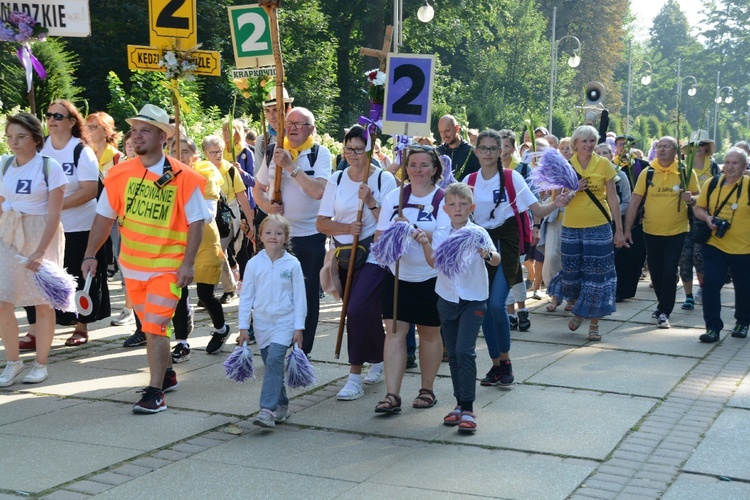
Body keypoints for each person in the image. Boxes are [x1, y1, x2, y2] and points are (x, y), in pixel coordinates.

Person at [82, 104, 209, 414]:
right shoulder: (118, 173)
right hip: (132, 267)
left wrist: (188, 263)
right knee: (152, 326)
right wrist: (89, 254)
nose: (137, 136)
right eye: (134, 130)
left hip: (168, 267)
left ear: (162, 137)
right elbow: (103, 218)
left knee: (154, 327)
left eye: (145, 131)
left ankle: (155, 393)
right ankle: (166, 374)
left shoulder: (183, 176)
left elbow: (197, 223)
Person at [465, 129, 569, 385]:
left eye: (493, 148)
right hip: (480, 245)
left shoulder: (512, 178)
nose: (488, 153)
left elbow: (537, 209)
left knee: (496, 304)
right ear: (476, 151)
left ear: (501, 151)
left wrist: (557, 203)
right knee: (484, 308)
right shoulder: (469, 180)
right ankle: (495, 365)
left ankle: (506, 361)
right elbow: (457, 214)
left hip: (506, 245)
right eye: (484, 148)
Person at [317, 126, 397, 400]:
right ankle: (378, 357)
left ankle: (353, 377)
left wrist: (371, 200)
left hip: (374, 254)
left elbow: (390, 219)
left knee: (358, 309)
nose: (353, 154)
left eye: (359, 149)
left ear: (370, 150)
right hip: (344, 255)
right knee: (365, 312)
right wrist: (346, 227)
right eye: (348, 148)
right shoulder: (336, 179)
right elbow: (322, 222)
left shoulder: (384, 179)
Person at [24, 100, 109, 349]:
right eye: (48, 115)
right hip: (45, 228)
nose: (51, 120)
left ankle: (81, 326)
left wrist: (54, 207)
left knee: (78, 278)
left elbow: (89, 191)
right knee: (36, 276)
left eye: (58, 116)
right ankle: (34, 331)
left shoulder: (81, 151)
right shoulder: (40, 150)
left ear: (72, 122)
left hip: (79, 227)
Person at [417, 183, 499, 431]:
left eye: (463, 204)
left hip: (473, 299)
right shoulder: (442, 232)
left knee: (465, 351)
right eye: (452, 205)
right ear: (445, 208)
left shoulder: (478, 232)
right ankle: (459, 405)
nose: (457, 209)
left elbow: (495, 259)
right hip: (447, 299)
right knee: (453, 354)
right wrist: (424, 243)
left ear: (471, 207)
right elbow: (434, 262)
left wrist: (485, 252)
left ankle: (469, 409)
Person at [374, 144, 449, 412]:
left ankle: (427, 390)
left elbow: (446, 240)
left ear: (435, 169)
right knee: (394, 333)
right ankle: (392, 395)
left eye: (424, 165)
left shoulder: (443, 198)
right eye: (413, 165)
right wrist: (394, 235)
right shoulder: (394, 197)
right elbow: (379, 238)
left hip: (431, 277)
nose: (418, 170)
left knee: (429, 334)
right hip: (397, 276)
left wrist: (417, 233)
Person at [253, 107, 331, 356]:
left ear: (312, 129)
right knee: (277, 292)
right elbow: (258, 189)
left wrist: (290, 166)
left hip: (310, 236)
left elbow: (319, 191)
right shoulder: (273, 152)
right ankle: (277, 343)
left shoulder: (319, 153)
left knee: (306, 295)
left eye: (301, 123)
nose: (295, 127)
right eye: (291, 123)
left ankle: (302, 351)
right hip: (279, 238)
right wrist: (268, 207)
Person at [0, 113, 67, 386]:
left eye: (21, 137)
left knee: (43, 301)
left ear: (36, 139)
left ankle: (41, 364)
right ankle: (13, 361)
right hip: (9, 234)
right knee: (3, 300)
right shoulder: (4, 164)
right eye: (10, 137)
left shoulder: (49, 167)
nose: (14, 142)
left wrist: (40, 251)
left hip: (41, 234)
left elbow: (54, 215)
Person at [548, 125, 624, 341]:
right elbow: (558, 198)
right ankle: (581, 307)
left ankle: (593, 324)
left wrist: (619, 229)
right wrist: (573, 190)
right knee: (572, 273)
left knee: (597, 276)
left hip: (599, 225)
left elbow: (613, 199)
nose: (589, 145)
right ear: (575, 144)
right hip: (571, 226)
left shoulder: (604, 164)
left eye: (592, 141)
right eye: (584, 141)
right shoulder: (565, 166)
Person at [237, 215, 305, 427]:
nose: (273, 237)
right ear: (261, 236)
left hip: (285, 323)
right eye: (268, 233)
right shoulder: (254, 264)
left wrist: (299, 327)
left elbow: (300, 297)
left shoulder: (293, 264)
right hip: (262, 324)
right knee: (272, 364)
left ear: (286, 238)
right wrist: (243, 327)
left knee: (275, 359)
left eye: (278, 233)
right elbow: (246, 296)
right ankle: (282, 404)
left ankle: (266, 409)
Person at [624, 136, 699, 329]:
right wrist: (626, 230)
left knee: (669, 270)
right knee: (656, 272)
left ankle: (665, 311)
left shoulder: (685, 171)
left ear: (676, 151)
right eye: (659, 147)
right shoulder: (648, 172)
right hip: (651, 230)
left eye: (667, 147)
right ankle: (662, 305)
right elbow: (634, 201)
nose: (662, 150)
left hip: (678, 230)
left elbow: (698, 199)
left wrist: (691, 198)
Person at [694, 148, 750, 342]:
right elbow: (698, 208)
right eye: (727, 162)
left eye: (735, 163)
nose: (729, 167)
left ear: (744, 167)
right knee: (711, 284)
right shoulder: (712, 183)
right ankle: (712, 328)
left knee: (744, 288)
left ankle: (742, 323)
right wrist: (707, 218)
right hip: (715, 244)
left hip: (744, 248)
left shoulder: (749, 186)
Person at [86, 112, 133, 326]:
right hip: (92, 215)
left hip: (116, 217)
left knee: (124, 261)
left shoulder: (117, 158)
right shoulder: (86, 155)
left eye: (94, 127)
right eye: (88, 126)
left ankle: (129, 308)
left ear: (106, 131)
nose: (89, 131)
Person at [201, 135, 253, 307]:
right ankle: (222, 289)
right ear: (205, 153)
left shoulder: (230, 169)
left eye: (220, 151)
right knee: (213, 253)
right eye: (213, 152)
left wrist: (251, 223)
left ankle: (220, 290)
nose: (217, 155)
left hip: (226, 218)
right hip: (206, 216)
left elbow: (242, 196)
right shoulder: (200, 169)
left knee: (218, 250)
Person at [679, 131, 719, 310]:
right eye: (695, 145)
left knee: (699, 255)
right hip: (684, 216)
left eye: (702, 145)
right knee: (685, 256)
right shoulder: (683, 168)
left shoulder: (714, 167)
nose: (699, 149)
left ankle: (703, 288)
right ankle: (688, 296)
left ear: (707, 147)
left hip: (704, 217)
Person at [254, 87, 294, 170]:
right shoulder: (262, 141)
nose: (271, 116)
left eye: (275, 110)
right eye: (267, 111)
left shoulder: (300, 137)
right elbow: (258, 176)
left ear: (288, 110)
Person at [437, 115, 480, 181]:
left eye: (447, 131)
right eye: (441, 132)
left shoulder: (472, 153)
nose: (444, 135)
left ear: (457, 128)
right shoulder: (437, 153)